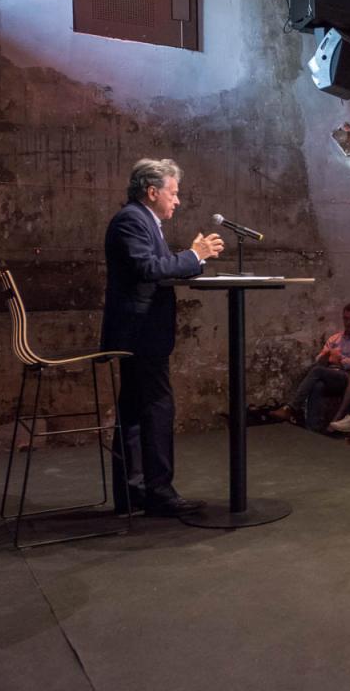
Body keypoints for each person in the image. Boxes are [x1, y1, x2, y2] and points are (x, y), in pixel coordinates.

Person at [102, 158, 223, 516]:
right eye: (173, 192)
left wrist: (190, 257)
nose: (178, 200)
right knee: (155, 408)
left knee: (138, 410)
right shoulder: (132, 220)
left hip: (139, 332)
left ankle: (135, 492)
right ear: (152, 192)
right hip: (139, 334)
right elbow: (149, 269)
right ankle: (158, 492)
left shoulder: (142, 221)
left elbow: (159, 264)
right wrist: (194, 255)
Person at [273, 304, 350, 432]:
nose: (348, 322)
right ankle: (314, 428)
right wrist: (326, 356)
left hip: (348, 377)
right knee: (318, 384)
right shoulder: (335, 338)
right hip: (329, 373)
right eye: (345, 319)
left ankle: (291, 407)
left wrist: (339, 358)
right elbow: (319, 359)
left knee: (317, 371)